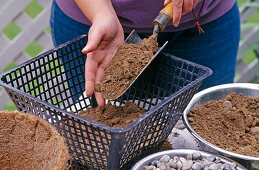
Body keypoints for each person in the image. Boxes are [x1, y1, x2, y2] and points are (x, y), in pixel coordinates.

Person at [50, 0, 240, 108]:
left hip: (203, 29)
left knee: (206, 125)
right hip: (94, 24)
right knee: (100, 132)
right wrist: (99, 13)